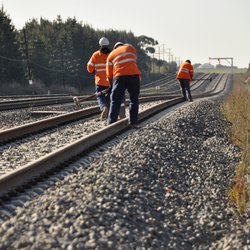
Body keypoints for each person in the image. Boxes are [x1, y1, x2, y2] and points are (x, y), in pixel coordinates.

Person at [106, 42, 141, 127]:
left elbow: (109, 74)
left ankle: (111, 123)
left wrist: (111, 85)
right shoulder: (130, 48)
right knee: (134, 99)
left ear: (115, 48)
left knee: (115, 101)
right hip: (134, 76)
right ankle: (133, 122)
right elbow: (134, 58)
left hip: (119, 77)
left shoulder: (111, 55)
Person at [87, 37, 111, 120]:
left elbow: (89, 66)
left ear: (100, 45)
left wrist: (93, 71)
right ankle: (108, 113)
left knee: (100, 96)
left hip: (99, 81)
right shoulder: (112, 54)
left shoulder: (96, 55)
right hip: (110, 82)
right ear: (108, 45)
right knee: (109, 96)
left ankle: (104, 108)